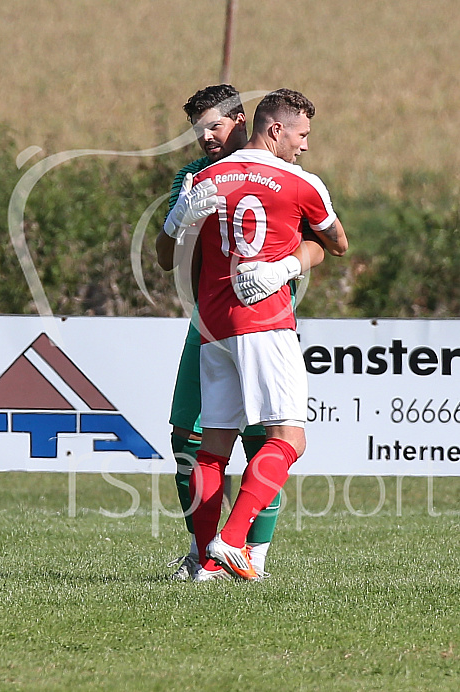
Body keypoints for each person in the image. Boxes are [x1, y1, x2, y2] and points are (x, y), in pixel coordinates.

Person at [156, 85, 324, 581]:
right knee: (188, 439)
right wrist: (179, 218)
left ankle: (254, 553)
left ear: (241, 121)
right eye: (197, 129)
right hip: (206, 327)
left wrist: (288, 265)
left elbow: (322, 245)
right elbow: (166, 259)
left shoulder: (287, 176)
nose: (206, 138)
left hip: (264, 323)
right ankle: (203, 554)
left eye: (214, 125)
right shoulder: (191, 179)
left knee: (261, 441)